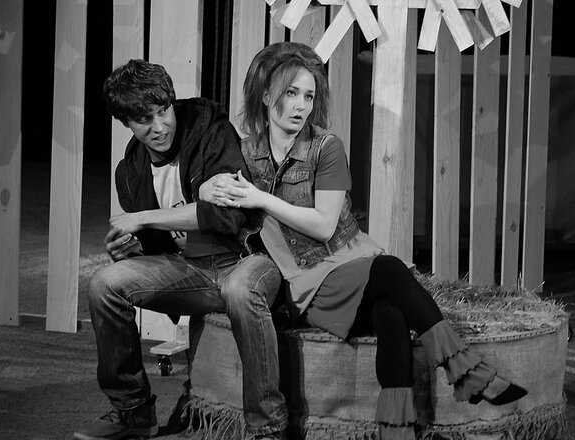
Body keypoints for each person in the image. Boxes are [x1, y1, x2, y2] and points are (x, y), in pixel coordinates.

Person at [199, 42, 527, 440]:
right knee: (390, 279)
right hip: (306, 280)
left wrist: (260, 198)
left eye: (309, 96)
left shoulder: (326, 147)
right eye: (291, 93)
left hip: (348, 259)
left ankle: (397, 429)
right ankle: (465, 371)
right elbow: (210, 189)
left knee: (391, 310)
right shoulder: (244, 153)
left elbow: (324, 227)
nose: (301, 106)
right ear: (267, 96)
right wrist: (206, 188)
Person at [74, 59, 287, 440]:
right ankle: (133, 413)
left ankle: (267, 429)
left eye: (163, 111)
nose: (159, 127)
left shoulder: (211, 130)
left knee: (240, 289)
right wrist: (131, 250)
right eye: (144, 120)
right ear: (126, 122)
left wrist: (143, 217)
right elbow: (158, 246)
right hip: (195, 272)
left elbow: (228, 216)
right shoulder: (131, 171)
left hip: (247, 259)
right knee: (104, 284)